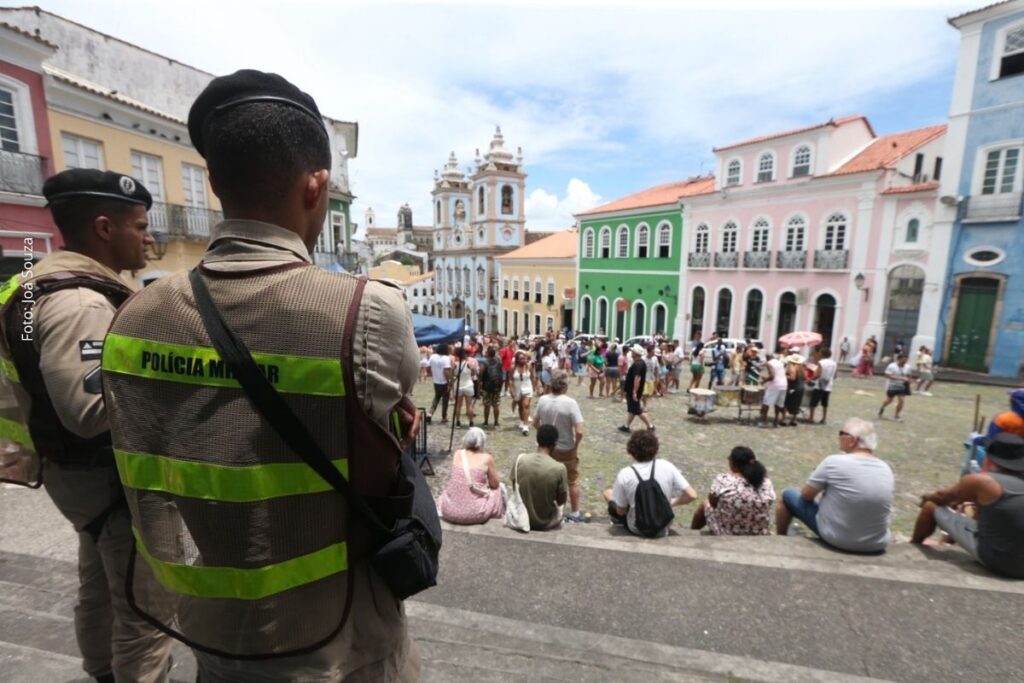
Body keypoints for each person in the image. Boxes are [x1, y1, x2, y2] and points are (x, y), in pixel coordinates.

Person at [100, 71, 421, 679]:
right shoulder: (367, 311)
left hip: (211, 627)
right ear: (316, 186)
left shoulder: (133, 319)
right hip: (342, 638)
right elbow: (390, 429)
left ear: (216, 183)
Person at [0, 169, 173, 682]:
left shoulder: (32, 286)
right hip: (107, 478)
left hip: (71, 474)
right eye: (140, 226)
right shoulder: (80, 302)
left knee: (99, 585)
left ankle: (100, 672)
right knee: (146, 614)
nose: (149, 238)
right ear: (104, 228)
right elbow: (90, 412)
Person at [911, 433, 1024, 579]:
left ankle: (912, 545)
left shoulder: (983, 481)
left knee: (930, 506)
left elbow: (942, 498)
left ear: (990, 458)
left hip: (999, 560)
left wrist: (926, 498)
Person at [776, 418, 894, 553]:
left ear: (853, 440)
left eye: (841, 433)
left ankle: (780, 539)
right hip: (876, 542)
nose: (839, 437)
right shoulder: (886, 468)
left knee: (788, 495)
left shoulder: (834, 462)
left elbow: (806, 496)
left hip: (838, 539)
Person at [603, 430, 698, 537]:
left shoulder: (625, 474)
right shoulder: (667, 466)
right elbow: (692, 495)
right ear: (656, 448)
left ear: (631, 451)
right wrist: (672, 502)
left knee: (608, 493)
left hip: (637, 528)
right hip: (663, 526)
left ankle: (616, 522)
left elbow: (621, 511)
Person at [533, 370, 586, 523]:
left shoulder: (543, 400)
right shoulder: (570, 403)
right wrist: (575, 446)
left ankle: (546, 507)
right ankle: (575, 512)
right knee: (572, 480)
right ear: (565, 386)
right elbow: (579, 431)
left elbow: (535, 423)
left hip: (547, 447)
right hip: (565, 447)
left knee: (546, 477)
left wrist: (545, 435)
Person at [691, 447, 776, 535]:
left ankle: (692, 533)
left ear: (734, 464)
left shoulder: (723, 479)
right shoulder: (766, 482)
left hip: (727, 532)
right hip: (757, 531)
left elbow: (712, 503)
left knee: (705, 503)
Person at [438, 427, 506, 525]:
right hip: (475, 513)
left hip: (449, 510)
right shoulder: (487, 458)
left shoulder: (458, 454)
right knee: (499, 489)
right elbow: (495, 484)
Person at [510, 425, 569, 530]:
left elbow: (515, 488)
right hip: (545, 521)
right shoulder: (559, 468)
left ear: (537, 440)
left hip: (521, 517)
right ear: (555, 444)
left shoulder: (521, 460)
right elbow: (561, 501)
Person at [620, 345, 654, 432]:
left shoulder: (638, 364)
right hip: (633, 390)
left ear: (636, 353)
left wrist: (634, 392)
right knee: (632, 409)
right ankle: (626, 426)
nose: (631, 352)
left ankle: (650, 426)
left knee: (637, 410)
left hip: (634, 391)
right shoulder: (639, 362)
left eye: (633, 351)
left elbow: (637, 378)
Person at [878, 354, 912, 421]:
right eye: (903, 360)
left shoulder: (908, 367)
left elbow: (909, 375)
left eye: (906, 360)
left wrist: (909, 380)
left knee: (901, 400)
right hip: (892, 385)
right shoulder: (892, 366)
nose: (904, 362)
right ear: (899, 359)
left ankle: (896, 415)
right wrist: (900, 378)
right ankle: (883, 406)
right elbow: (887, 375)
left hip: (902, 386)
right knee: (889, 400)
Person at [808, 348, 837, 424]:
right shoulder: (834, 363)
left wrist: (810, 379)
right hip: (828, 385)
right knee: (825, 403)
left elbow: (818, 374)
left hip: (819, 384)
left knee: (813, 403)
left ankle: (811, 417)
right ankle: (824, 418)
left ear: (822, 354)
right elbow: (835, 375)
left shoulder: (821, 362)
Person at [510, 350, 535, 435]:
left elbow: (532, 377)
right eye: (521, 359)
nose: (523, 360)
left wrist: (535, 387)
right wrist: (511, 389)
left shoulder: (528, 366)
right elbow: (510, 379)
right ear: (517, 360)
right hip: (517, 388)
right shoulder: (513, 368)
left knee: (526, 405)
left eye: (524, 358)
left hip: (527, 387)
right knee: (520, 406)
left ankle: (525, 425)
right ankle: (522, 420)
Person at [759, 351, 787, 428]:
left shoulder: (769, 363)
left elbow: (772, 376)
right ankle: (776, 421)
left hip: (775, 385)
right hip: (783, 384)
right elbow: (779, 374)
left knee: (766, 403)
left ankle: (764, 421)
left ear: (767, 358)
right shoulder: (779, 362)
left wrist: (763, 381)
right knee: (778, 404)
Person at [452, 347, 477, 427]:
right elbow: (473, 373)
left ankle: (458, 422)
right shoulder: (469, 363)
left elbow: (452, 374)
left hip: (458, 385)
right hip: (468, 384)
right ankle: (471, 422)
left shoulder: (455, 364)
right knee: (469, 405)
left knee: (458, 405)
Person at [428, 342, 452, 424]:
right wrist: (449, 382)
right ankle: (444, 417)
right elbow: (446, 371)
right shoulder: (446, 358)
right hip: (444, 382)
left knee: (436, 398)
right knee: (445, 400)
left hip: (436, 381)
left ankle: (430, 413)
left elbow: (429, 367)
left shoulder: (433, 357)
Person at [479, 346, 504, 427]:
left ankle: (486, 421)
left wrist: (479, 383)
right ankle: (496, 422)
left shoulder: (484, 363)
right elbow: (501, 374)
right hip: (497, 385)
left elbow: (481, 373)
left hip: (487, 386)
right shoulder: (499, 362)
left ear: (487, 354)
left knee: (487, 405)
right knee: (496, 405)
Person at [782, 349, 805, 427]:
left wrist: (785, 375)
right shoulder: (801, 368)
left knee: (786, 403)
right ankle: (793, 420)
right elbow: (805, 377)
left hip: (792, 387)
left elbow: (792, 378)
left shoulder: (792, 367)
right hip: (800, 388)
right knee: (796, 404)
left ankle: (783, 419)